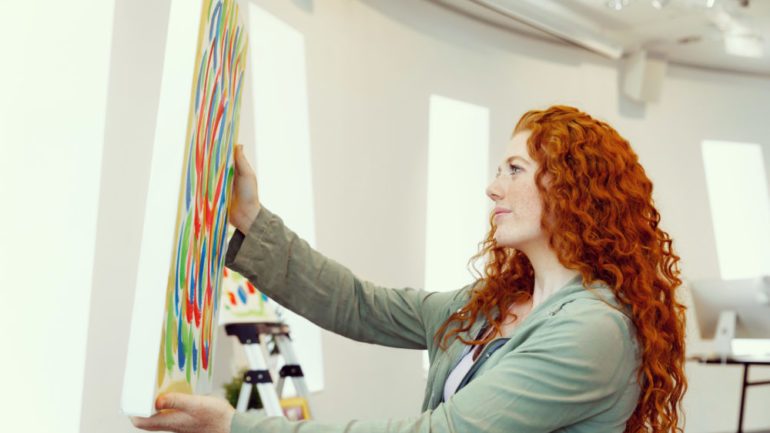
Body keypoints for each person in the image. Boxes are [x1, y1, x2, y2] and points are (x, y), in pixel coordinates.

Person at [132, 105, 687, 433]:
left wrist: (237, 424)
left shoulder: (592, 331)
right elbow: (359, 304)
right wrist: (250, 218)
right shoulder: (498, 301)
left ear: (573, 190)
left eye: (515, 169)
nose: (493, 186)